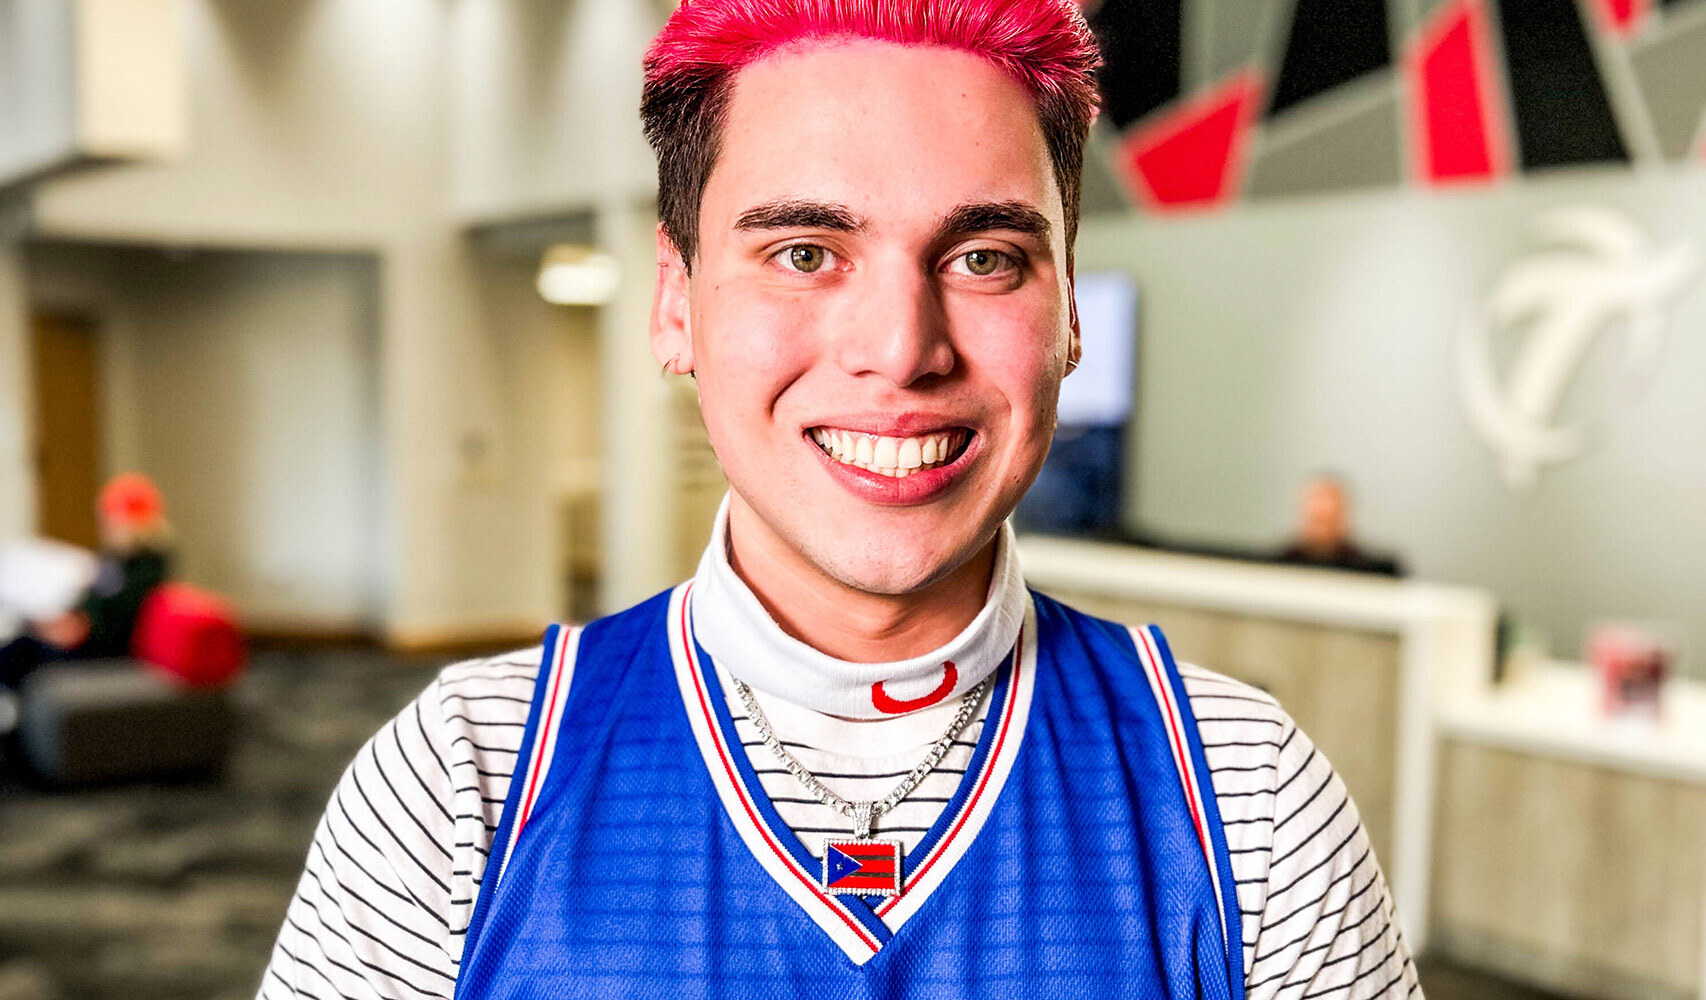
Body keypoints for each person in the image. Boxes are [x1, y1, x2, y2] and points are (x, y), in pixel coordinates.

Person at [260, 2, 1420, 997]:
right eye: (805, 252)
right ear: (674, 303)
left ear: (1067, 308)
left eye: (983, 259)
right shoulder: (468, 777)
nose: (900, 348)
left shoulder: (1244, 797)